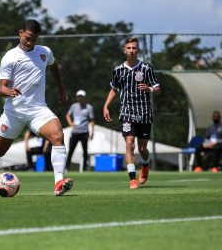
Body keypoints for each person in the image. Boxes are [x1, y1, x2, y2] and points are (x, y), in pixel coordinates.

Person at [0, 19, 73, 196]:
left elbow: (54, 67)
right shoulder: (10, 57)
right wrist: (9, 91)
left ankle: (58, 182)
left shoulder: (45, 52)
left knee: (57, 135)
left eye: (34, 39)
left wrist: (61, 90)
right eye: (28, 38)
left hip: (38, 109)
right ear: (20, 33)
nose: (30, 42)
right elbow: (1, 87)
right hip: (14, 112)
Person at [103, 36, 160, 189]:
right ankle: (132, 179)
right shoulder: (118, 70)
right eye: (128, 48)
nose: (131, 51)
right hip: (127, 112)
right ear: (124, 50)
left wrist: (149, 88)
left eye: (134, 48)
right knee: (129, 144)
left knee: (142, 149)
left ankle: (146, 165)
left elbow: (157, 88)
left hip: (144, 113)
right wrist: (106, 106)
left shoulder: (146, 68)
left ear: (138, 50)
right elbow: (114, 89)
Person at [65, 89, 94, 171]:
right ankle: (67, 167)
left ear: (85, 97)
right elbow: (67, 115)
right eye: (79, 97)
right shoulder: (74, 106)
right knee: (70, 150)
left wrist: (92, 132)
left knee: (85, 151)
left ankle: (84, 168)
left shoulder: (89, 107)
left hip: (84, 132)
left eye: (82, 97)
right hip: (75, 132)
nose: (80, 98)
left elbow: (92, 120)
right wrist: (70, 123)